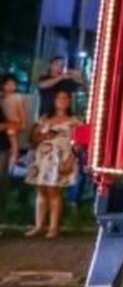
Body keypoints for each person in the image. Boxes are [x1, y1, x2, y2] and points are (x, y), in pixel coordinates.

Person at [25, 89, 81, 239]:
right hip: (43, 158)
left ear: (69, 101)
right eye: (59, 97)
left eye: (65, 98)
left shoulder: (74, 120)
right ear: (54, 100)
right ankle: (39, 226)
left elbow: (79, 144)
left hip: (61, 158)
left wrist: (72, 159)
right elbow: (34, 139)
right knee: (41, 191)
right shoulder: (44, 119)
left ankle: (53, 227)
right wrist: (43, 134)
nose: (62, 100)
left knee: (54, 192)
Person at [1, 74, 27, 173]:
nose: (11, 87)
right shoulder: (2, 97)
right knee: (10, 147)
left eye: (14, 84)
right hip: (6, 124)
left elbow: (22, 113)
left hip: (15, 124)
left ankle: (11, 169)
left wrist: (23, 124)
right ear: (3, 85)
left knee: (14, 147)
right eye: (8, 84)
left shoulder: (17, 97)